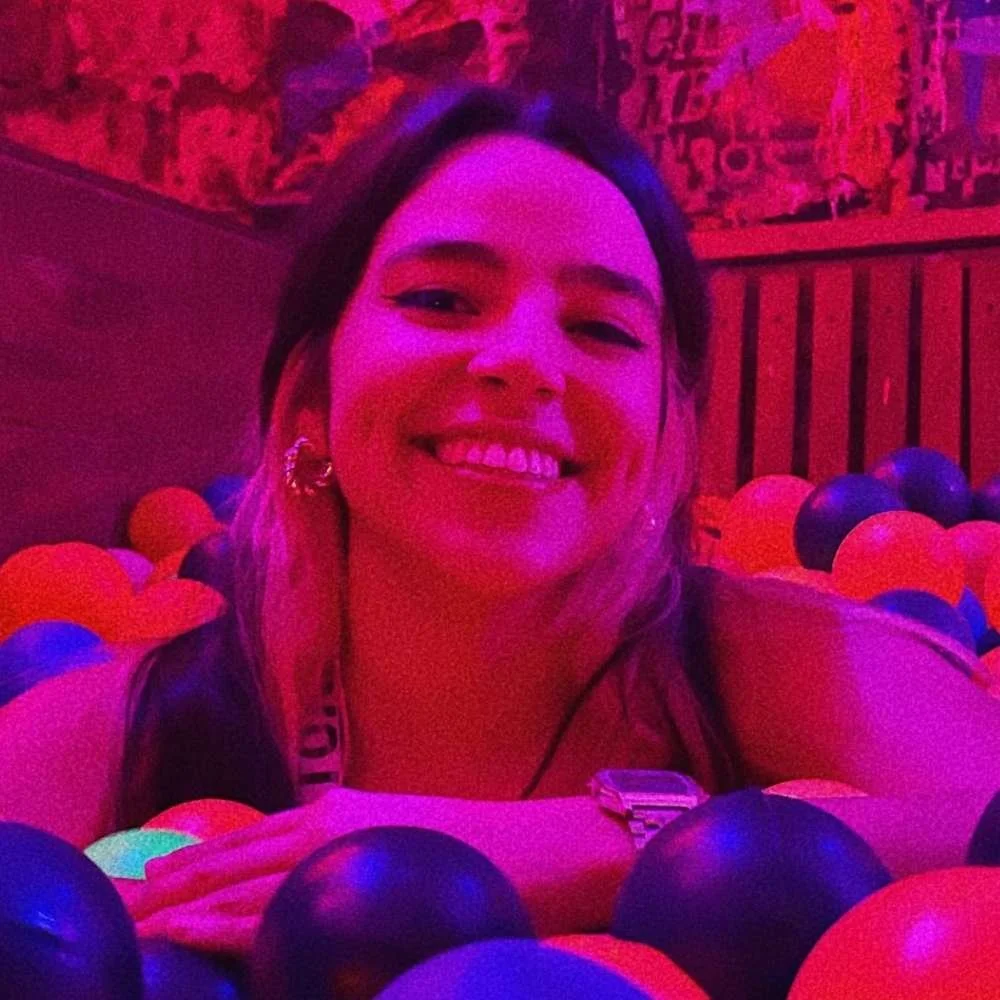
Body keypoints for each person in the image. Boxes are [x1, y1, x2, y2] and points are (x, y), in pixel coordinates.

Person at [2, 79, 1000, 954]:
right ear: (310, 392)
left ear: (662, 431)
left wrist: (577, 845)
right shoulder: (122, 736)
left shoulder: (762, 661)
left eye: (601, 327)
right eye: (442, 299)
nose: (525, 358)